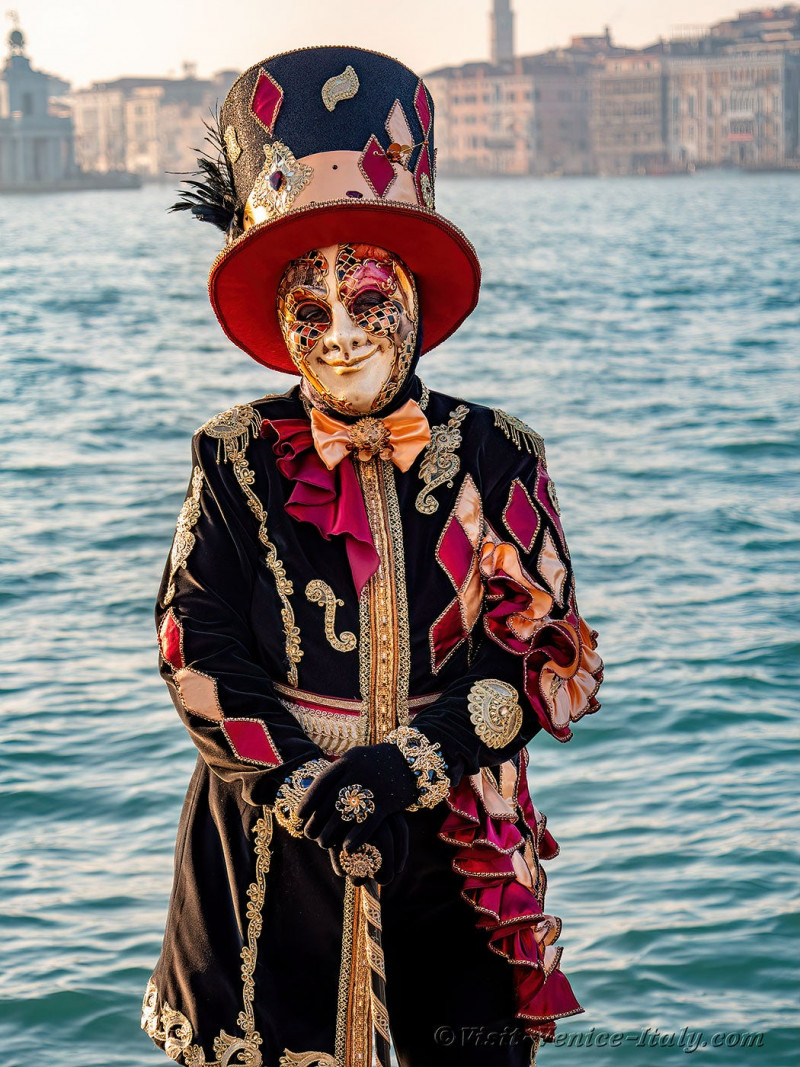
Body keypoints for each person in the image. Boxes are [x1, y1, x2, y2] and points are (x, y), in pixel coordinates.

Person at [141, 46, 603, 1067]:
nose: (342, 334)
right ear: (277, 323)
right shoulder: (230, 455)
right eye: (310, 311)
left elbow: (534, 653)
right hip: (264, 860)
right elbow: (192, 646)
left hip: (450, 853)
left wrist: (408, 765)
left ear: (417, 298)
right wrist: (305, 783)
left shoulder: (500, 452)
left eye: (367, 300)